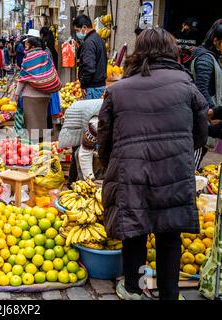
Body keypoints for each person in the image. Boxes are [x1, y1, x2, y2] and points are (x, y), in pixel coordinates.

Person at [97, 28, 208, 300]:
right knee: (169, 235)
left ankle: (133, 289)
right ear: (171, 52)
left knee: (133, 231)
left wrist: (112, 161)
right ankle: (169, 295)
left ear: (139, 51)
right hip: (174, 172)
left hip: (131, 172)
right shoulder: (187, 86)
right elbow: (200, 134)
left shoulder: (119, 89)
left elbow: (104, 136)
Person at [14, 36, 61, 140]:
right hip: (45, 95)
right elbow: (51, 71)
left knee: (32, 125)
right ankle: (42, 146)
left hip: (30, 96)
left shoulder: (29, 57)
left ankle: (34, 148)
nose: (25, 46)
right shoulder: (46, 55)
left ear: (33, 45)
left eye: (27, 44)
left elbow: (23, 78)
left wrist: (17, 94)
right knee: (41, 123)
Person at [190, 19, 222, 168]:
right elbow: (201, 88)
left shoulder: (211, 57)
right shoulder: (205, 59)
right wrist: (213, 112)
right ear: (216, 40)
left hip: (205, 116)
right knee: (192, 161)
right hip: (200, 118)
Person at [58, 99, 104, 183]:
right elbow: (85, 152)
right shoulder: (96, 124)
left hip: (88, 111)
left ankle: (74, 181)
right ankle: (73, 182)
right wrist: (90, 179)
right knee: (77, 151)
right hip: (77, 115)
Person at [72, 15, 108, 99]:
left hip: (92, 87)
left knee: (89, 112)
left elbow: (89, 67)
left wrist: (83, 84)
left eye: (77, 30)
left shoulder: (89, 43)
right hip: (98, 85)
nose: (77, 34)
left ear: (84, 27)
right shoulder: (97, 38)